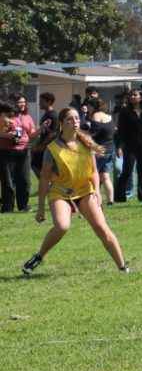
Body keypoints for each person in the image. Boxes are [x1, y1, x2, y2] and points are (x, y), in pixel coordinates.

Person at [22, 106, 129, 275]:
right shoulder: (52, 149)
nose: (75, 122)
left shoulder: (86, 143)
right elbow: (43, 179)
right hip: (60, 193)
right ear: (62, 124)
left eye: (77, 118)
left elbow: (93, 171)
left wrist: (96, 191)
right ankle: (39, 256)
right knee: (62, 226)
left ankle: (123, 266)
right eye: (70, 119)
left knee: (102, 228)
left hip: (85, 191)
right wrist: (41, 207)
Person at [0, 94, 35, 213]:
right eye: (9, 117)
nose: (11, 122)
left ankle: (23, 205)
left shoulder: (26, 117)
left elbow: (32, 132)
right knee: (8, 180)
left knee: (24, 180)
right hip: (6, 151)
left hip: (23, 150)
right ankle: (7, 206)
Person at [82, 99, 117, 205]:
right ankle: (110, 201)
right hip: (110, 149)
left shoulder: (96, 115)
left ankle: (93, 200)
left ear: (93, 107)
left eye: (89, 107)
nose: (88, 110)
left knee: (93, 175)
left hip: (100, 151)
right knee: (105, 177)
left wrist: (82, 129)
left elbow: (93, 132)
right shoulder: (107, 115)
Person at [31, 92, 59, 177]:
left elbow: (53, 133)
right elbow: (44, 132)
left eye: (42, 101)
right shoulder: (47, 114)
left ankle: (48, 187)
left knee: (37, 166)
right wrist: (37, 144)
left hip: (48, 148)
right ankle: (47, 187)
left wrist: (42, 146)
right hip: (43, 146)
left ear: (49, 102)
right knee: (36, 165)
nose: (39, 103)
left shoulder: (53, 115)